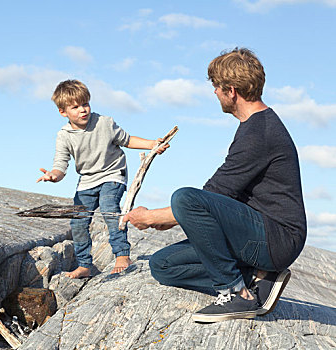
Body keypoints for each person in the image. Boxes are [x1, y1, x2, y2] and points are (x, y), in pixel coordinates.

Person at [122, 48, 306, 323]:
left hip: (277, 238)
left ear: (231, 91)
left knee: (185, 198)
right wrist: (166, 219)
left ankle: (236, 294)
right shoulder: (253, 126)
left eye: (216, 87)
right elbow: (222, 197)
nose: (215, 93)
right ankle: (258, 279)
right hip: (256, 234)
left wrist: (151, 217)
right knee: (163, 266)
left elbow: (209, 197)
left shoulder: (259, 133)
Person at [38, 79, 167, 279]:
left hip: (113, 174)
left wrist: (152, 144)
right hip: (87, 181)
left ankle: (122, 256)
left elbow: (127, 140)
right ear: (63, 112)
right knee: (78, 222)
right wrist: (53, 176)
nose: (83, 110)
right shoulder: (63, 136)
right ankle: (84, 265)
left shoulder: (105, 123)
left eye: (85, 104)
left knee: (109, 209)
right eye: (75, 107)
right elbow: (61, 164)